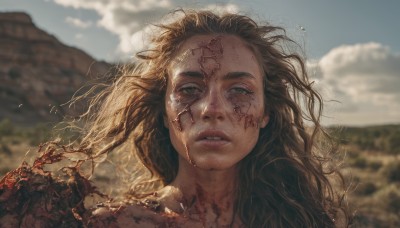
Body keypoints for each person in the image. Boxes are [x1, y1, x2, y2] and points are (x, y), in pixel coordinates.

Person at [0, 9, 350, 227]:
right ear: (164, 112)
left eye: (240, 90)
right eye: (189, 89)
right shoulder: (116, 225)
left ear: (265, 114)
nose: (211, 108)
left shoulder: (307, 220)